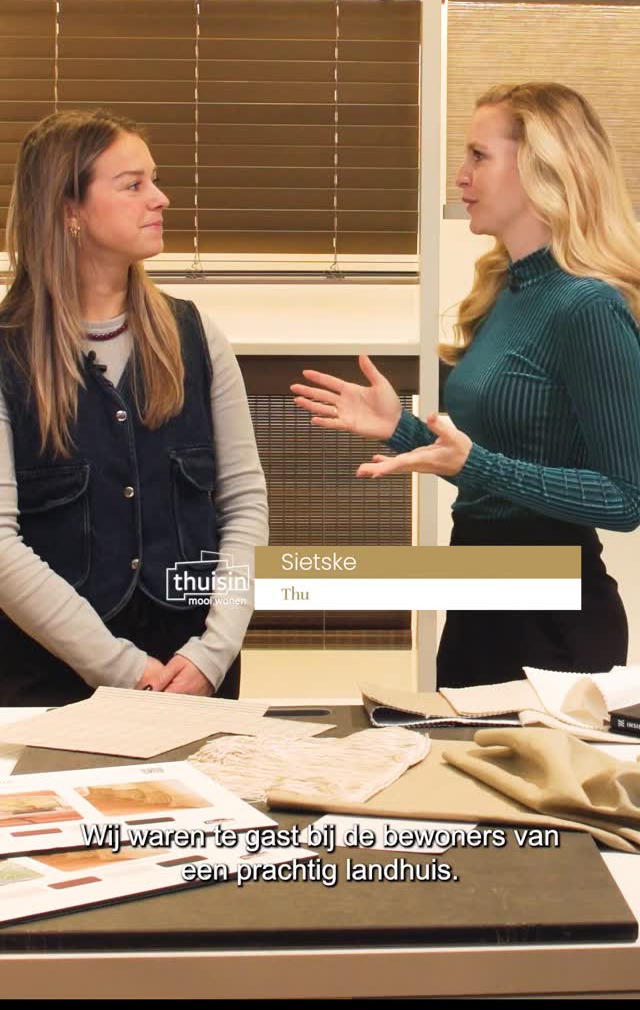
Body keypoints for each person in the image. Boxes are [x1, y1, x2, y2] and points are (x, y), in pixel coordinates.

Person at [292, 82, 640, 688]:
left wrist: (476, 465)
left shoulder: (587, 306)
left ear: (541, 167)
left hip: (553, 621)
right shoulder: (505, 290)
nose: (461, 175)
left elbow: (625, 499)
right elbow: (488, 464)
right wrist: (400, 428)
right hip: (481, 595)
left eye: (479, 155)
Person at [0, 108, 268, 706]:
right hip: (51, 680)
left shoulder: (197, 336)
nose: (160, 198)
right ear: (68, 209)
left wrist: (213, 652)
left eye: (155, 180)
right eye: (133, 184)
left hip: (194, 670)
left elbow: (245, 508)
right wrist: (125, 670)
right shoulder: (8, 351)